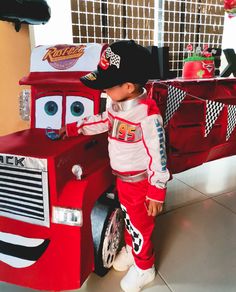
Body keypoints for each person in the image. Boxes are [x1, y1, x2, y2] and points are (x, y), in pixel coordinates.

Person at [59, 40, 170, 292]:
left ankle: (145, 267)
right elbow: (102, 121)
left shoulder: (148, 116)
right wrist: (76, 128)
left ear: (128, 86)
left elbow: (159, 156)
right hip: (122, 180)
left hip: (141, 183)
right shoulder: (116, 106)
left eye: (107, 87)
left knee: (141, 224)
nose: (104, 92)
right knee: (130, 219)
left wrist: (156, 190)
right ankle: (132, 251)